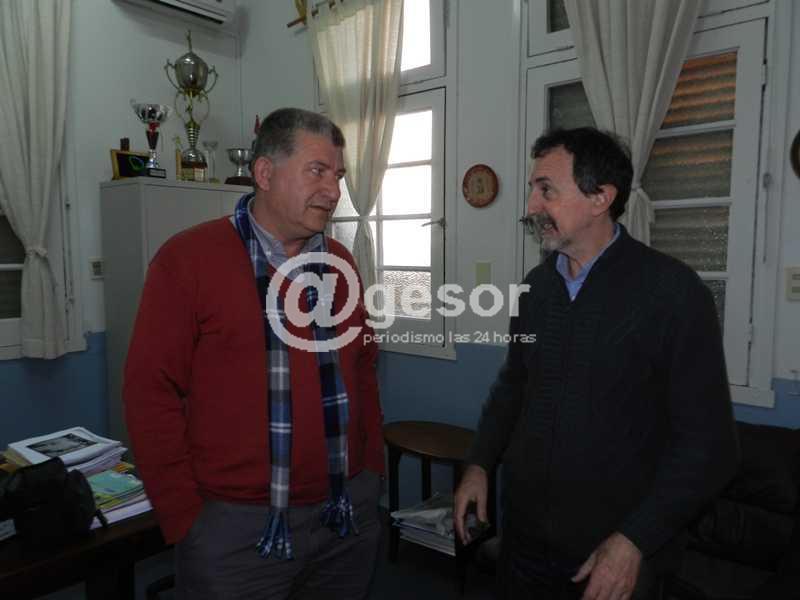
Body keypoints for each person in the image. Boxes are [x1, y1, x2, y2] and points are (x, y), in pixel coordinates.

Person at [453, 127, 739, 600]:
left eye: (546, 190)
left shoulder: (674, 293)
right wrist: (480, 463)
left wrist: (635, 541)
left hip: (613, 556)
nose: (531, 205)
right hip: (523, 546)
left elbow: (711, 448)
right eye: (533, 189)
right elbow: (513, 387)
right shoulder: (536, 288)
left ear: (600, 197)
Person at [124, 108, 385, 599]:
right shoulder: (187, 260)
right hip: (235, 531)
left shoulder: (340, 262)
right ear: (264, 173)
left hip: (345, 514)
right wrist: (183, 515)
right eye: (317, 171)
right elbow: (149, 391)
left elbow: (365, 367)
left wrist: (371, 469)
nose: (333, 190)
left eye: (338, 175)